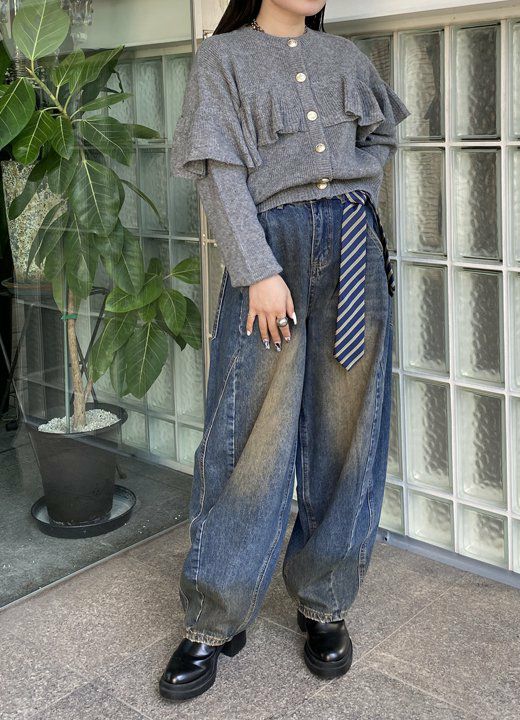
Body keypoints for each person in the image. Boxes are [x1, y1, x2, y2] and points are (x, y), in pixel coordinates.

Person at [159, 0, 410, 702]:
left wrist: (357, 202)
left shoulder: (346, 59)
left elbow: (381, 137)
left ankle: (324, 603)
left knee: (348, 431)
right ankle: (214, 618)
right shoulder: (222, 58)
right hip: (272, 253)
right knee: (249, 437)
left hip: (353, 250)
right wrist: (256, 269)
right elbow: (218, 171)